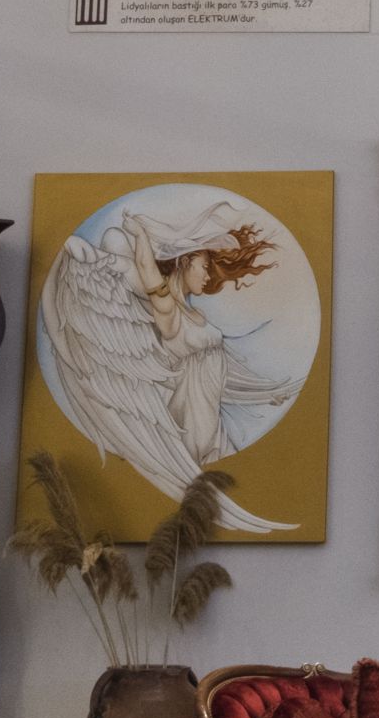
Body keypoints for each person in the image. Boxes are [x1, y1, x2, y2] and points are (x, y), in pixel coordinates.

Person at [39, 200, 303, 533]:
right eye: (203, 265)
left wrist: (263, 393)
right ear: (184, 261)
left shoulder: (194, 314)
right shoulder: (167, 310)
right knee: (195, 491)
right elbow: (146, 270)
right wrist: (140, 237)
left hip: (213, 425)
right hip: (191, 422)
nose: (208, 275)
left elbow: (216, 367)